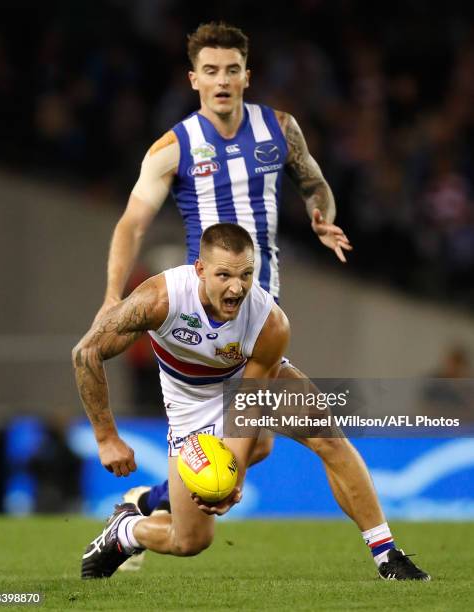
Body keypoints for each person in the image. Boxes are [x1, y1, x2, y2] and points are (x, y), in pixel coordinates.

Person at [92, 23, 430, 580]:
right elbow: (132, 222)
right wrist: (112, 295)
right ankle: (137, 517)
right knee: (230, 489)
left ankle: (386, 554)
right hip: (204, 336)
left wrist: (323, 213)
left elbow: (314, 182)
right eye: (211, 71)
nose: (222, 80)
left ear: (246, 76)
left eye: (232, 70)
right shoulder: (173, 148)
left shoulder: (280, 129)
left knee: (289, 441)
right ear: (194, 79)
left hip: (258, 326)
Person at [75, 224, 429, 581]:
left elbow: (248, 402)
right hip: (190, 402)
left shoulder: (269, 323)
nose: (236, 287)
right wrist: (106, 438)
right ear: (200, 270)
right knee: (189, 541)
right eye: (224, 275)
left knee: (326, 433)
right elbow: (86, 352)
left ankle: (387, 556)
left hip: (241, 381)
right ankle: (126, 530)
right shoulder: (159, 300)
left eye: (245, 274)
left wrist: (234, 480)